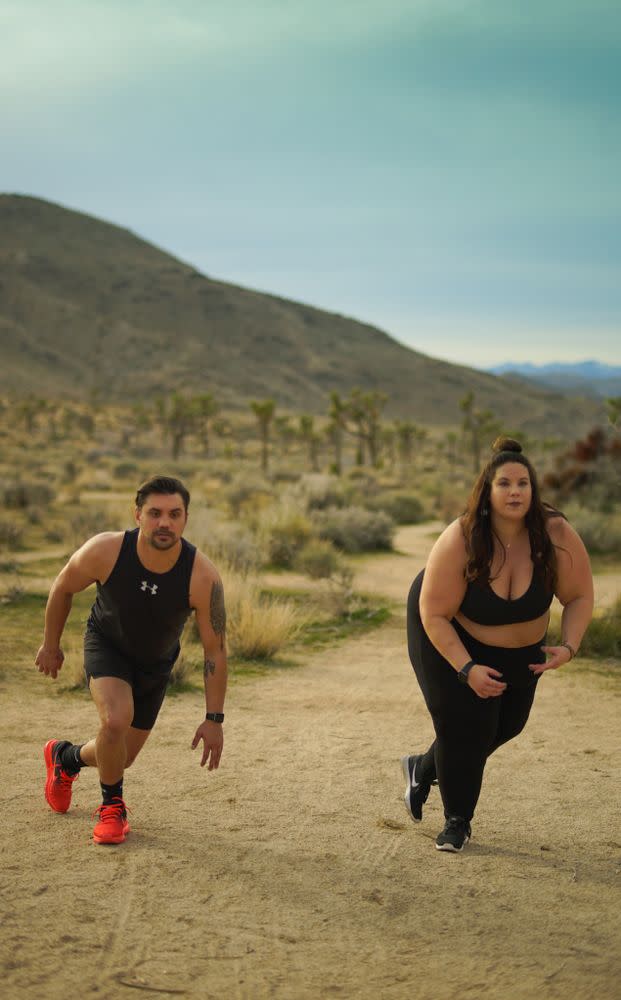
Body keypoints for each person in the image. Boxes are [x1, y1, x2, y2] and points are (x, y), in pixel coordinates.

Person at [402, 437, 593, 853]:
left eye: (523, 483)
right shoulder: (463, 537)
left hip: (521, 652)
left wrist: (570, 645)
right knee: (465, 726)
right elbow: (433, 614)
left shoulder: (555, 534)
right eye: (504, 483)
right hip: (448, 637)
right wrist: (466, 669)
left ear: (534, 489)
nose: (515, 492)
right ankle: (457, 823)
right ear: (487, 490)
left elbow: (579, 596)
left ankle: (424, 766)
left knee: (507, 725)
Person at [36, 475, 227, 845]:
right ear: (137, 514)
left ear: (186, 518)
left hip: (155, 665)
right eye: (154, 513)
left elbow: (215, 650)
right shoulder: (106, 550)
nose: (164, 523)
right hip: (107, 644)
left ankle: (66, 757)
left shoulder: (202, 576)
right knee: (115, 721)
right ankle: (113, 810)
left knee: (119, 756)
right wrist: (50, 645)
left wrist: (214, 718)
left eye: (174, 514)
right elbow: (63, 586)